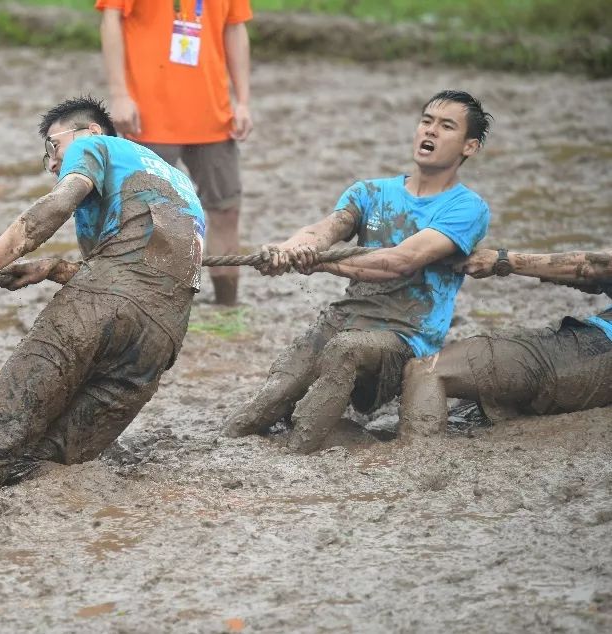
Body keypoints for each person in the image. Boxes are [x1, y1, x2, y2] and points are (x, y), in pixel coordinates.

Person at [0, 96, 206, 488]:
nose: (52, 164)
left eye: (52, 146)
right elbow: (143, 272)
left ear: (89, 131)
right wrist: (52, 268)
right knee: (53, 465)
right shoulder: (176, 181)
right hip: (161, 338)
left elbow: (57, 207)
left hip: (101, 304)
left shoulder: (92, 146)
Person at [224, 90, 492, 453]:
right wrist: (289, 250)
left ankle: (294, 458)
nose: (430, 131)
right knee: (261, 407)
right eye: (426, 121)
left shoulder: (468, 208)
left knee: (345, 349)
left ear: (469, 147)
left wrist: (317, 262)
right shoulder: (370, 192)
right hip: (346, 318)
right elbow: (325, 230)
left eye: (446, 126)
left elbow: (400, 261)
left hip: (407, 336)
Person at [96, 0, 253, 305]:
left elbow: (235, 28)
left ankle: (227, 308)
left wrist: (243, 100)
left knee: (225, 211)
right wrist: (118, 94)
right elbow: (111, 18)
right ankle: (145, 308)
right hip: (149, 118)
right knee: (143, 217)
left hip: (214, 117)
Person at [398, 249, 612, 438]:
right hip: (586, 345)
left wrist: (502, 260)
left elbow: (595, 266)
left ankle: (413, 462)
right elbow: (593, 272)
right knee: (458, 406)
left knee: (427, 372)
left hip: (586, 356)